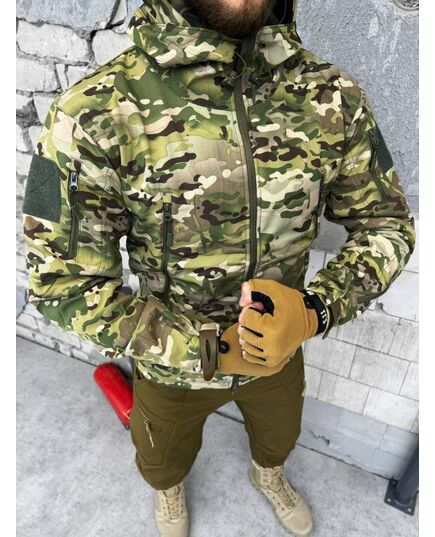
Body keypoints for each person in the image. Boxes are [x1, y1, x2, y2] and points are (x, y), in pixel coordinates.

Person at [22, 0, 416, 536]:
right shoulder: (91, 114)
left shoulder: (332, 97)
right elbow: (60, 283)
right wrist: (204, 350)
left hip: (278, 354)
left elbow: (387, 225)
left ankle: (268, 475)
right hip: (170, 369)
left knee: (278, 440)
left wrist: (315, 311)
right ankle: (169, 492)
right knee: (161, 461)